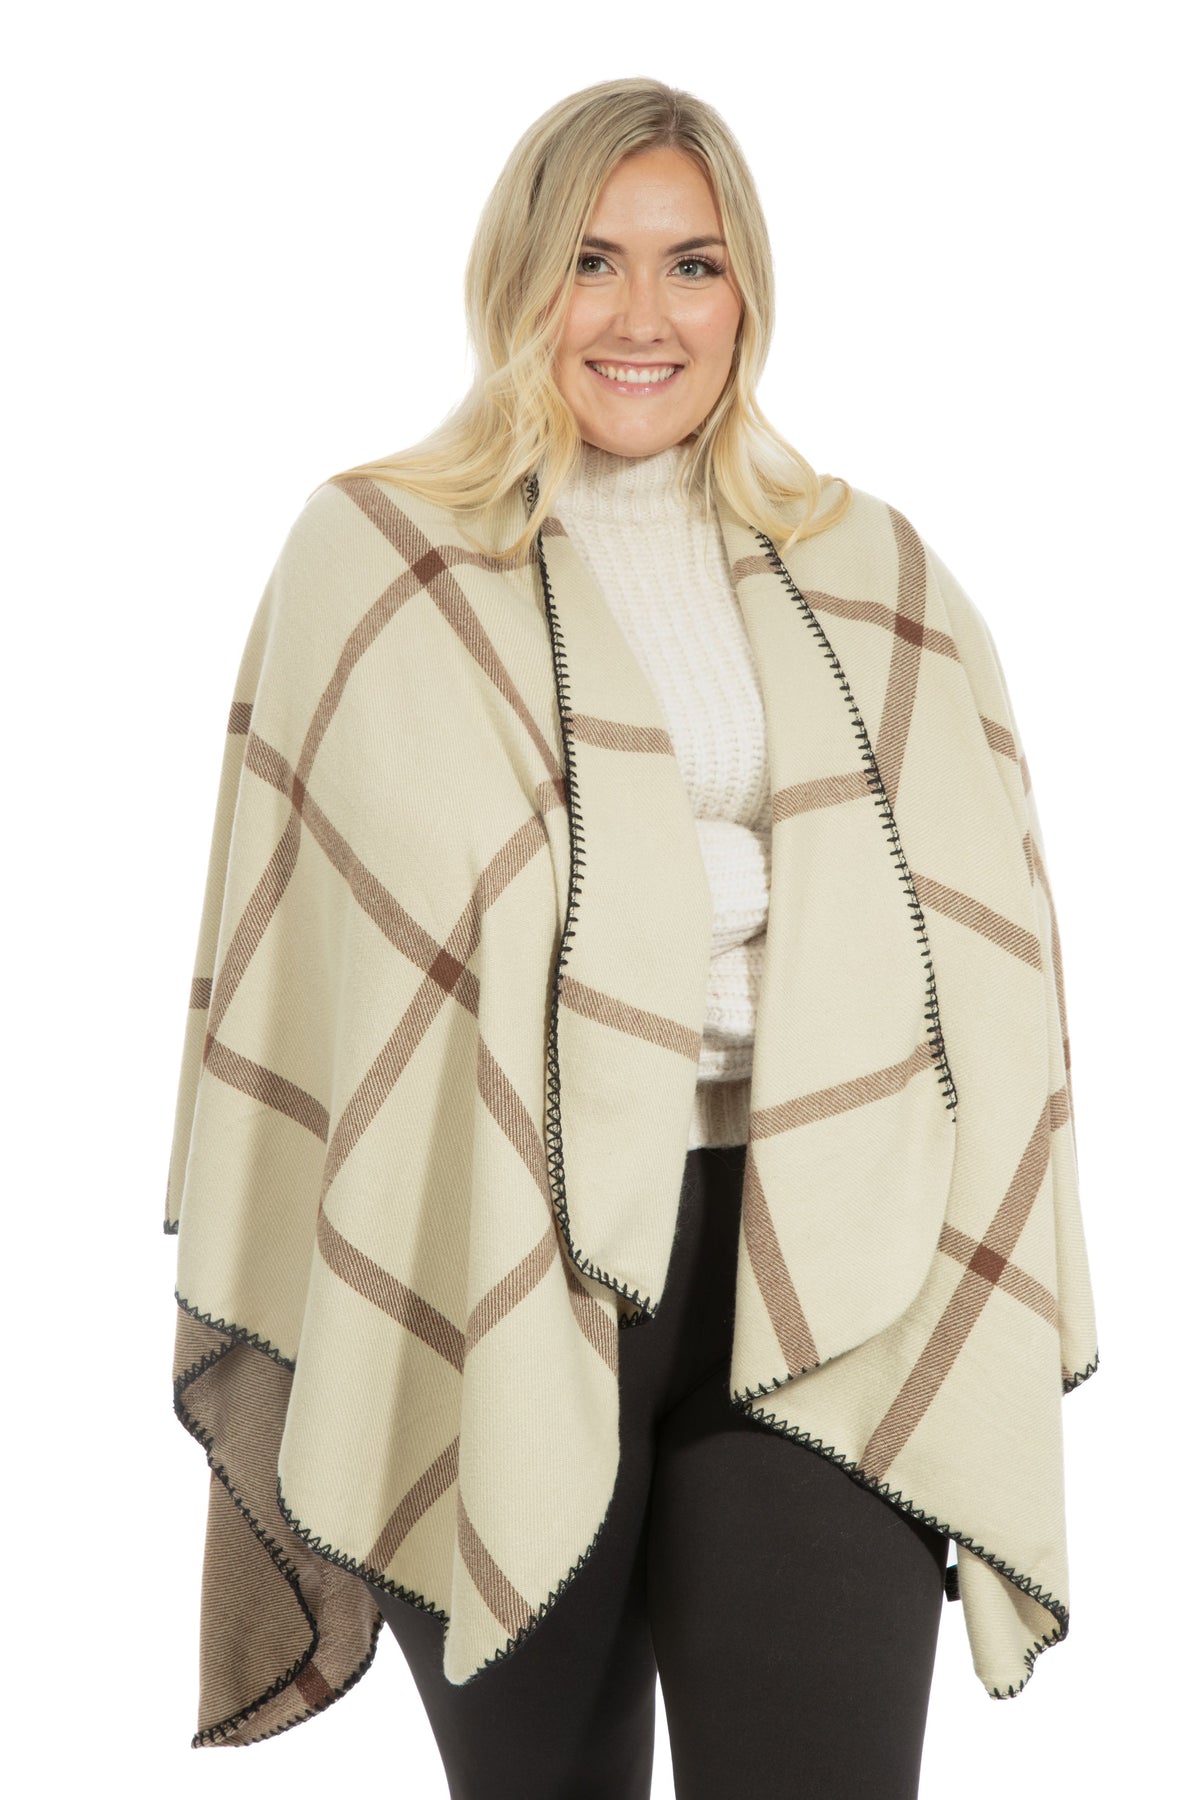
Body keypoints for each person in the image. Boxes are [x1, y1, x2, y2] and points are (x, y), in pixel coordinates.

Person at [163, 77, 1098, 1800]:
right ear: (517, 280)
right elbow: (320, 960)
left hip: (829, 1253)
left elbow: (991, 939)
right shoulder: (378, 559)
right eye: (592, 261)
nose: (642, 316)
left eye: (694, 264)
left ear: (749, 296)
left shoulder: (872, 571)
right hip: (496, 1243)